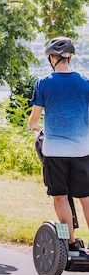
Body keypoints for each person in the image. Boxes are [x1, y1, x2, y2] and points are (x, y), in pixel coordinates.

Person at [28, 36, 89, 254]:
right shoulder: (85, 82)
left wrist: (34, 127)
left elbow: (34, 120)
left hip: (55, 151)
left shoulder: (44, 83)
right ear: (70, 57)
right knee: (85, 197)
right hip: (82, 149)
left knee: (60, 196)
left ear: (52, 58)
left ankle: (70, 241)